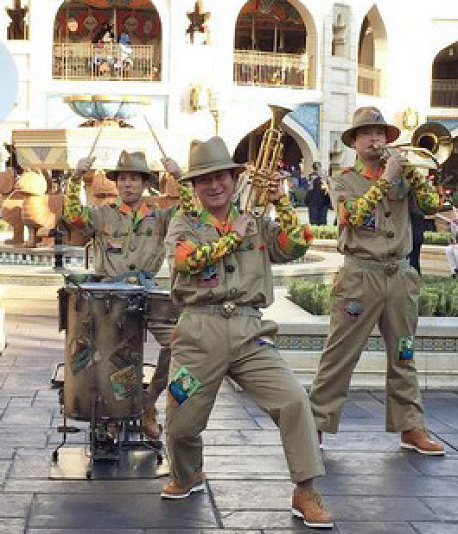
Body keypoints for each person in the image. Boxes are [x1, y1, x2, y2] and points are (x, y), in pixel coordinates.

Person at [162, 136, 331, 528]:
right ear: (194, 186)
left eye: (221, 176)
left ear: (235, 178)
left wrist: (283, 203)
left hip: (249, 329)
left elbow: (295, 246)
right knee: (181, 422)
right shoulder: (183, 223)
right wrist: (232, 237)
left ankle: (305, 490)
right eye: (205, 179)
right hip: (198, 332)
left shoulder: (256, 220)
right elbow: (185, 262)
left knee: (293, 401)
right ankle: (188, 474)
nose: (214, 185)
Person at [309, 107, 444, 456]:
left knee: (404, 353)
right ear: (354, 142)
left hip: (398, 275)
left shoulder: (403, 175)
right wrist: (386, 180)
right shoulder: (343, 179)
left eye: (380, 133)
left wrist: (412, 175)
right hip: (360, 276)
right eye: (367, 133)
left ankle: (410, 426)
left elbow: (431, 207)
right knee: (340, 353)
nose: (376, 139)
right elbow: (351, 217)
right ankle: (316, 424)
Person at [64, 150, 186, 440]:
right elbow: (72, 217)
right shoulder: (101, 214)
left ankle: (148, 404)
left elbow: (195, 212)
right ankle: (111, 416)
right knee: (108, 356)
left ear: (145, 184)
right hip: (110, 295)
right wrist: (74, 178)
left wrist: (180, 177)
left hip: (147, 291)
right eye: (122, 179)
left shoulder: (161, 217)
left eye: (134, 179)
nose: (127, 184)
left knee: (180, 344)